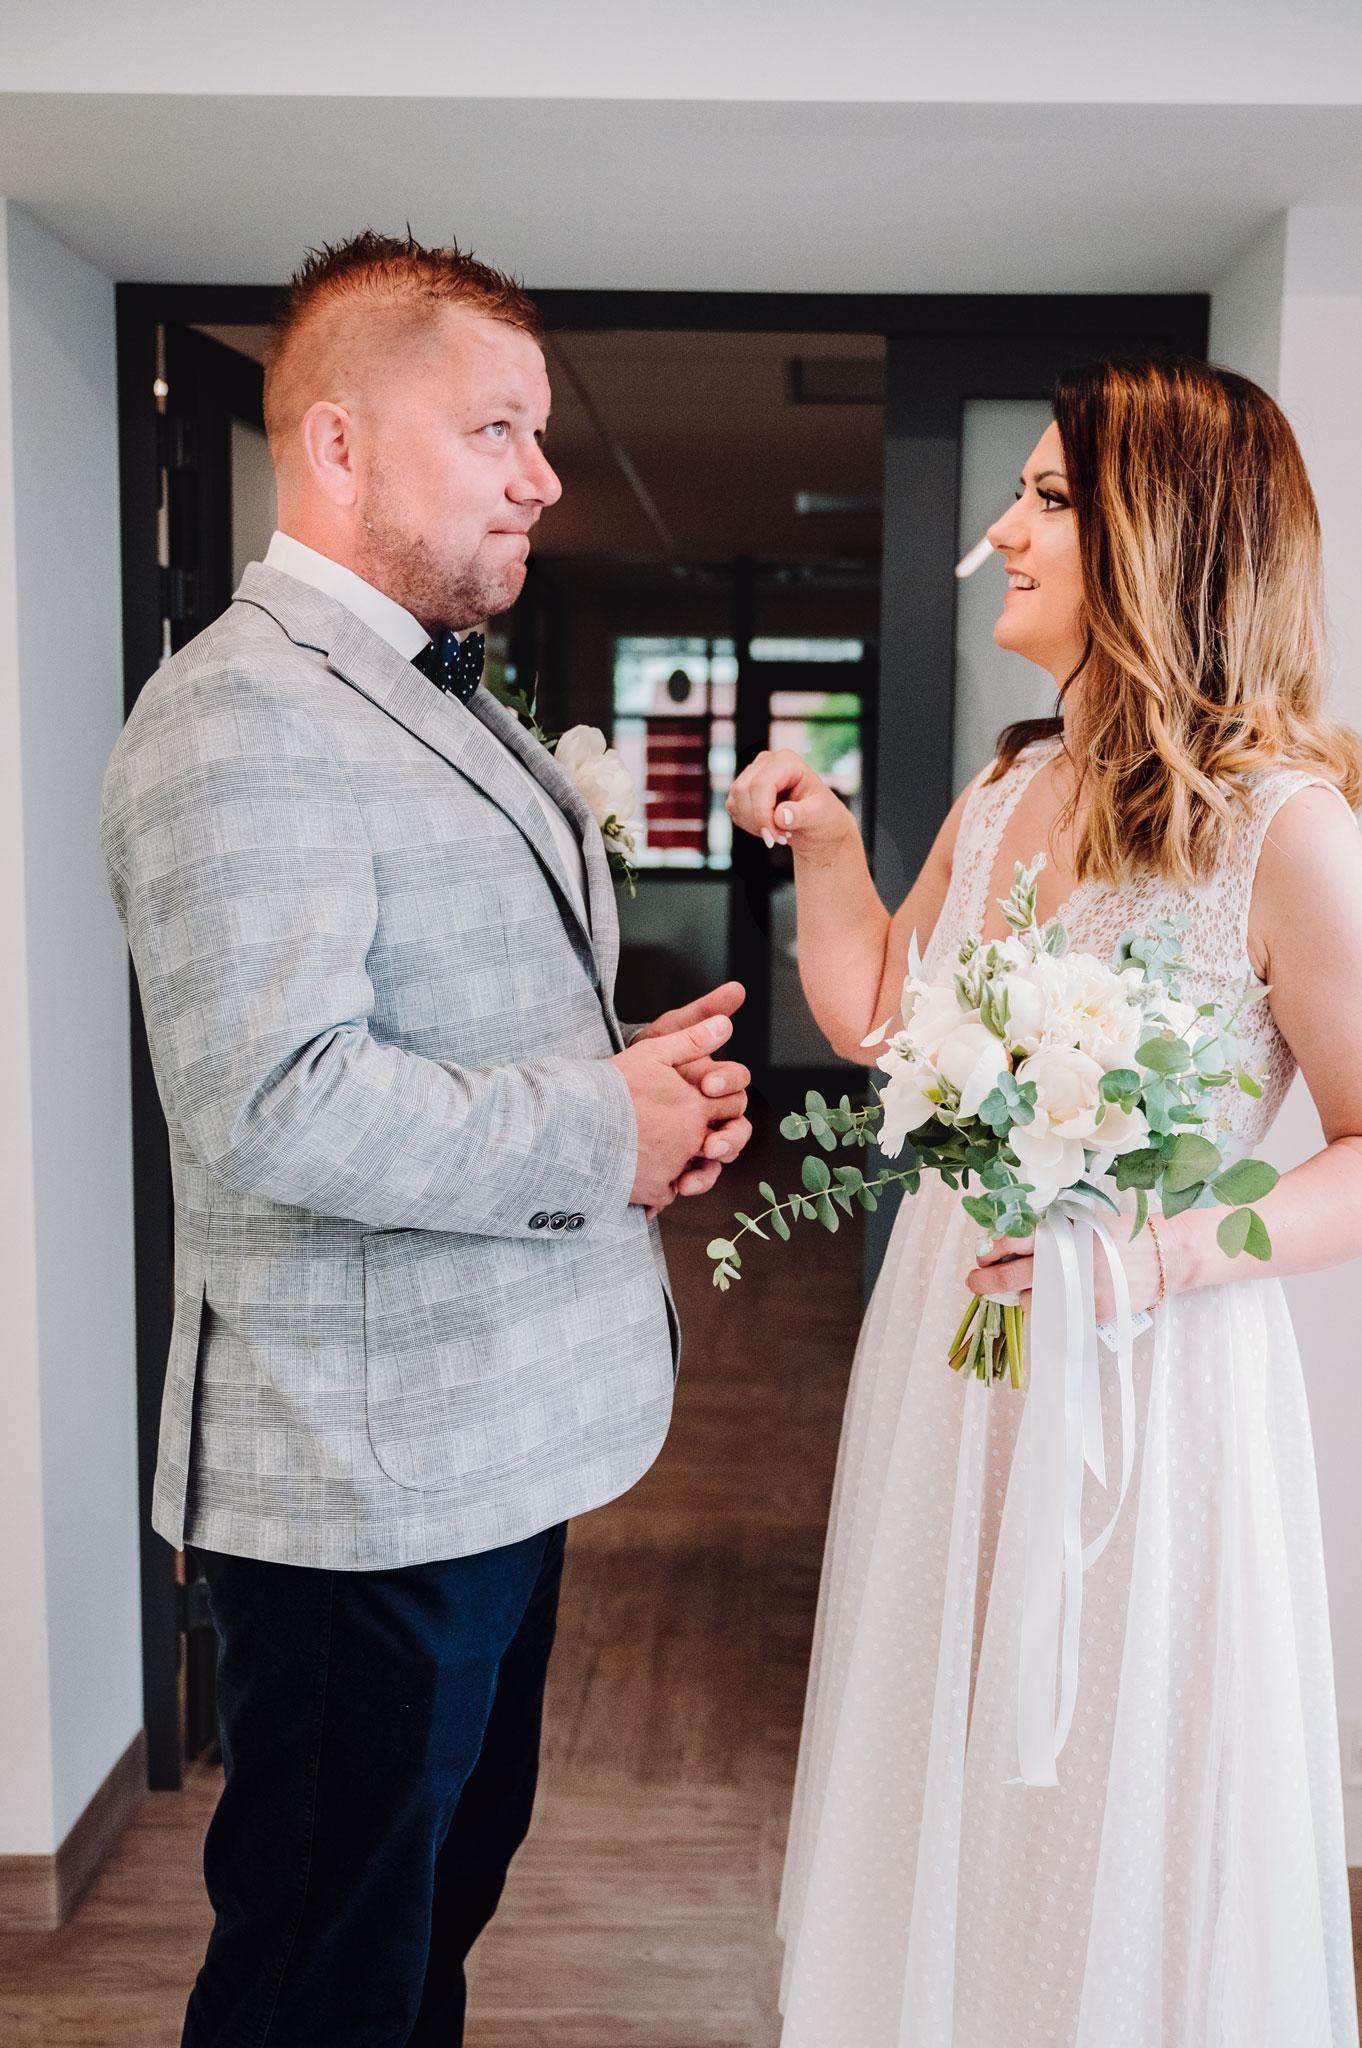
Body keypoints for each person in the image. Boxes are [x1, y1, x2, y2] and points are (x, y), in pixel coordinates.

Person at [727, 356, 1362, 2046]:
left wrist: (1153, 1264)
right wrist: (826, 847)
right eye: (1023, 493)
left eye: (1050, 499)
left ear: (1166, 542)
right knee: (945, 1761)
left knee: (1102, 1801)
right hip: (954, 1351)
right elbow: (886, 1015)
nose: (1005, 530)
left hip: (1148, 1383)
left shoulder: (1284, 832)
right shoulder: (1007, 791)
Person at [101, 230, 752, 2047]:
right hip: (358, 1486)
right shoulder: (238, 714)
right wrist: (596, 1128)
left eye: (537, 435)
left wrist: (634, 1089)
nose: (543, 477)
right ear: (337, 443)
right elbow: (275, 1095)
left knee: (425, 1929)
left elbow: (439, 1025)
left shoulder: (415, 686)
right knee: (323, 1974)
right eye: (495, 431)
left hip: (483, 1451)